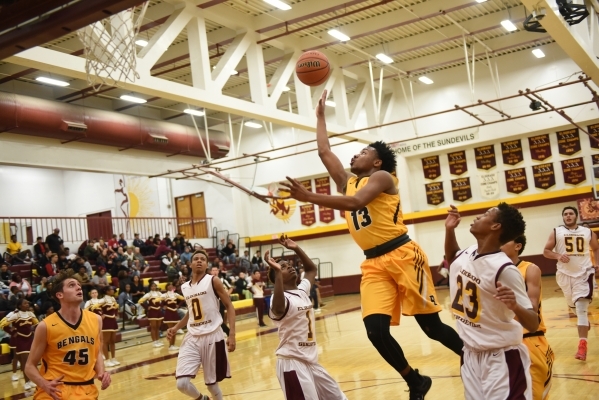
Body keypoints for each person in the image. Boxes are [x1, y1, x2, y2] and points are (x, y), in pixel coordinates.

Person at [281, 90, 463, 399]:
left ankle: (475, 357)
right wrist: (321, 118)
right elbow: (324, 151)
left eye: (361, 152)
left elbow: (354, 203)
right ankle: (415, 381)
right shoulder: (347, 180)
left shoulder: (383, 177)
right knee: (375, 331)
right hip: (373, 263)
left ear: (376, 160)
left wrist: (309, 196)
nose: (354, 156)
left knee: (430, 327)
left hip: (404, 255)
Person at [445, 203, 538, 400]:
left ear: (496, 226)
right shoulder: (469, 252)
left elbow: (532, 322)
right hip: (470, 355)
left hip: (501, 357)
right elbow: (453, 257)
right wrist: (449, 230)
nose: (478, 217)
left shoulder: (504, 268)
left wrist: (515, 306)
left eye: (486, 214)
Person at [266, 235, 347, 400]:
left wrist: (296, 248)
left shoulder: (302, 291)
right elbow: (279, 308)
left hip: (311, 362)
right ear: (277, 277)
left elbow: (311, 270)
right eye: (283, 267)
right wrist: (277, 273)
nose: (289, 267)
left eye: (289, 264)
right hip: (291, 362)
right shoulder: (279, 298)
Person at [25, 270, 111, 399]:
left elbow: (97, 352)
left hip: (86, 389)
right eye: (72, 285)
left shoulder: (96, 319)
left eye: (79, 285)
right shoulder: (45, 326)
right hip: (55, 390)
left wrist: (101, 372)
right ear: (60, 295)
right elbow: (29, 366)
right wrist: (44, 384)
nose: (78, 287)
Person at [166, 249, 236, 400]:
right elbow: (191, 312)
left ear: (206, 265)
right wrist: (176, 327)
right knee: (182, 383)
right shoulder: (185, 287)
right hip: (192, 336)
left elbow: (229, 306)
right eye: (196, 259)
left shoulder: (213, 281)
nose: (199, 261)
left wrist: (232, 334)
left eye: (202, 259)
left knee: (212, 385)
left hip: (212, 336)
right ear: (190, 264)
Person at [502, 235, 554, 400]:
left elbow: (532, 306)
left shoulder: (530, 269)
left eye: (505, 240)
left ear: (518, 246)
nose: (499, 243)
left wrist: (512, 302)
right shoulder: (492, 270)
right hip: (503, 343)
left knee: (535, 396)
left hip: (529, 339)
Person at [543, 206, 599, 361]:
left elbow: (596, 248)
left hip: (584, 272)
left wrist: (597, 264)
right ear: (563, 217)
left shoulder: (587, 232)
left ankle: (582, 345)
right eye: (565, 214)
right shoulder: (556, 231)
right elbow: (546, 251)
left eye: (571, 214)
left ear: (576, 216)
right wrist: (558, 256)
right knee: (572, 305)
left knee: (581, 308)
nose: (568, 216)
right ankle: (583, 322)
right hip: (564, 274)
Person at [0, 299, 39, 390]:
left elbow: (37, 324)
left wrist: (33, 331)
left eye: (27, 303)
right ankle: (26, 382)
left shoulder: (31, 314)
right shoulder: (15, 315)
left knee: (32, 362)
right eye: (25, 303)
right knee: (25, 362)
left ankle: (32, 380)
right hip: (20, 340)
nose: (27, 304)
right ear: (20, 306)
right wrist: (12, 332)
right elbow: (3, 325)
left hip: (30, 339)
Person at [138, 282, 165, 348]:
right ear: (150, 287)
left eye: (155, 286)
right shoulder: (148, 294)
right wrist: (147, 307)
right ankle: (154, 342)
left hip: (158, 311)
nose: (154, 287)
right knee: (153, 327)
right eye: (152, 286)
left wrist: (161, 305)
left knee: (158, 327)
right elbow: (140, 301)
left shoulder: (159, 293)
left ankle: (158, 340)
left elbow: (164, 299)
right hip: (152, 312)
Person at [100, 287, 119, 367]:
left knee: (113, 341)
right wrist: (100, 314)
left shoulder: (113, 299)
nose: (113, 290)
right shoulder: (102, 300)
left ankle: (113, 358)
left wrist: (116, 314)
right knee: (106, 341)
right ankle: (107, 360)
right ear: (107, 291)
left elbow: (116, 308)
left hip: (113, 321)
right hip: (106, 321)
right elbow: (95, 307)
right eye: (111, 289)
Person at [163, 283, 185, 351]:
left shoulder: (175, 294)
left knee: (174, 330)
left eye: (171, 285)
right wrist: (163, 306)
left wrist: (178, 305)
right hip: (169, 313)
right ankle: (170, 345)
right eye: (169, 285)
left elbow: (183, 299)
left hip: (174, 312)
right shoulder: (165, 295)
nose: (170, 286)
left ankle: (173, 345)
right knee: (170, 329)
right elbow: (158, 301)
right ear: (166, 287)